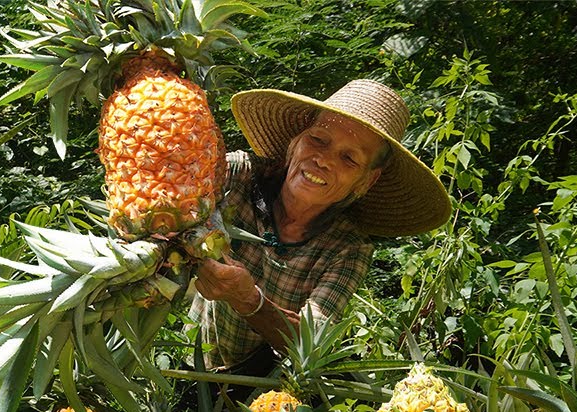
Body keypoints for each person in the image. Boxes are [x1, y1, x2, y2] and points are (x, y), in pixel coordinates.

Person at [191, 79, 452, 375]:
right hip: (189, 359)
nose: (323, 160)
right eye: (318, 139)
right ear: (295, 141)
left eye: (349, 158)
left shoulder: (347, 249)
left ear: (367, 180)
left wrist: (248, 300)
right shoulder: (238, 174)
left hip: (259, 381)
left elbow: (310, 344)